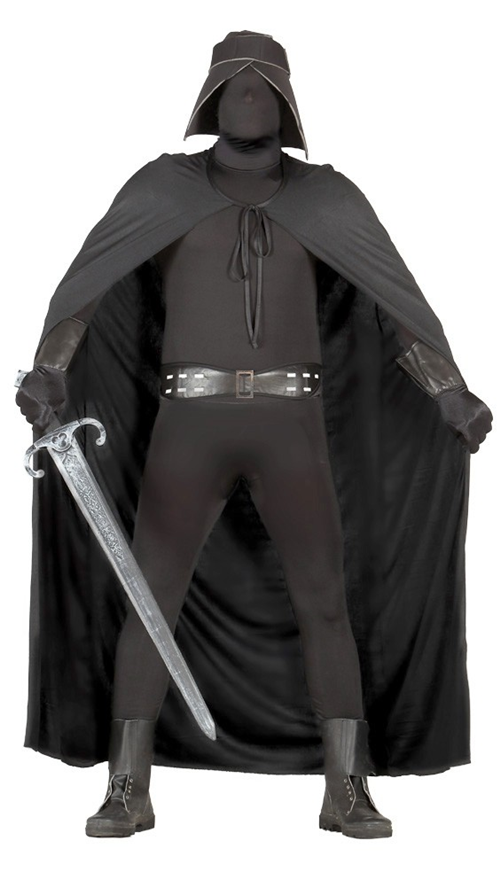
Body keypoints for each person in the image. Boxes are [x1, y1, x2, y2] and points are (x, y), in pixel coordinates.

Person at [16, 31, 492, 840]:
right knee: (149, 596)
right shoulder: (162, 187)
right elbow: (84, 291)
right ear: (206, 99)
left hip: (292, 425)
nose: (247, 95)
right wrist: (51, 369)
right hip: (187, 424)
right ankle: (127, 786)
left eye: (262, 82)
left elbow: (392, 306)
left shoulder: (328, 198)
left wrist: (448, 389)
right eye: (232, 83)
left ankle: (346, 788)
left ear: (288, 102)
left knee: (326, 601)